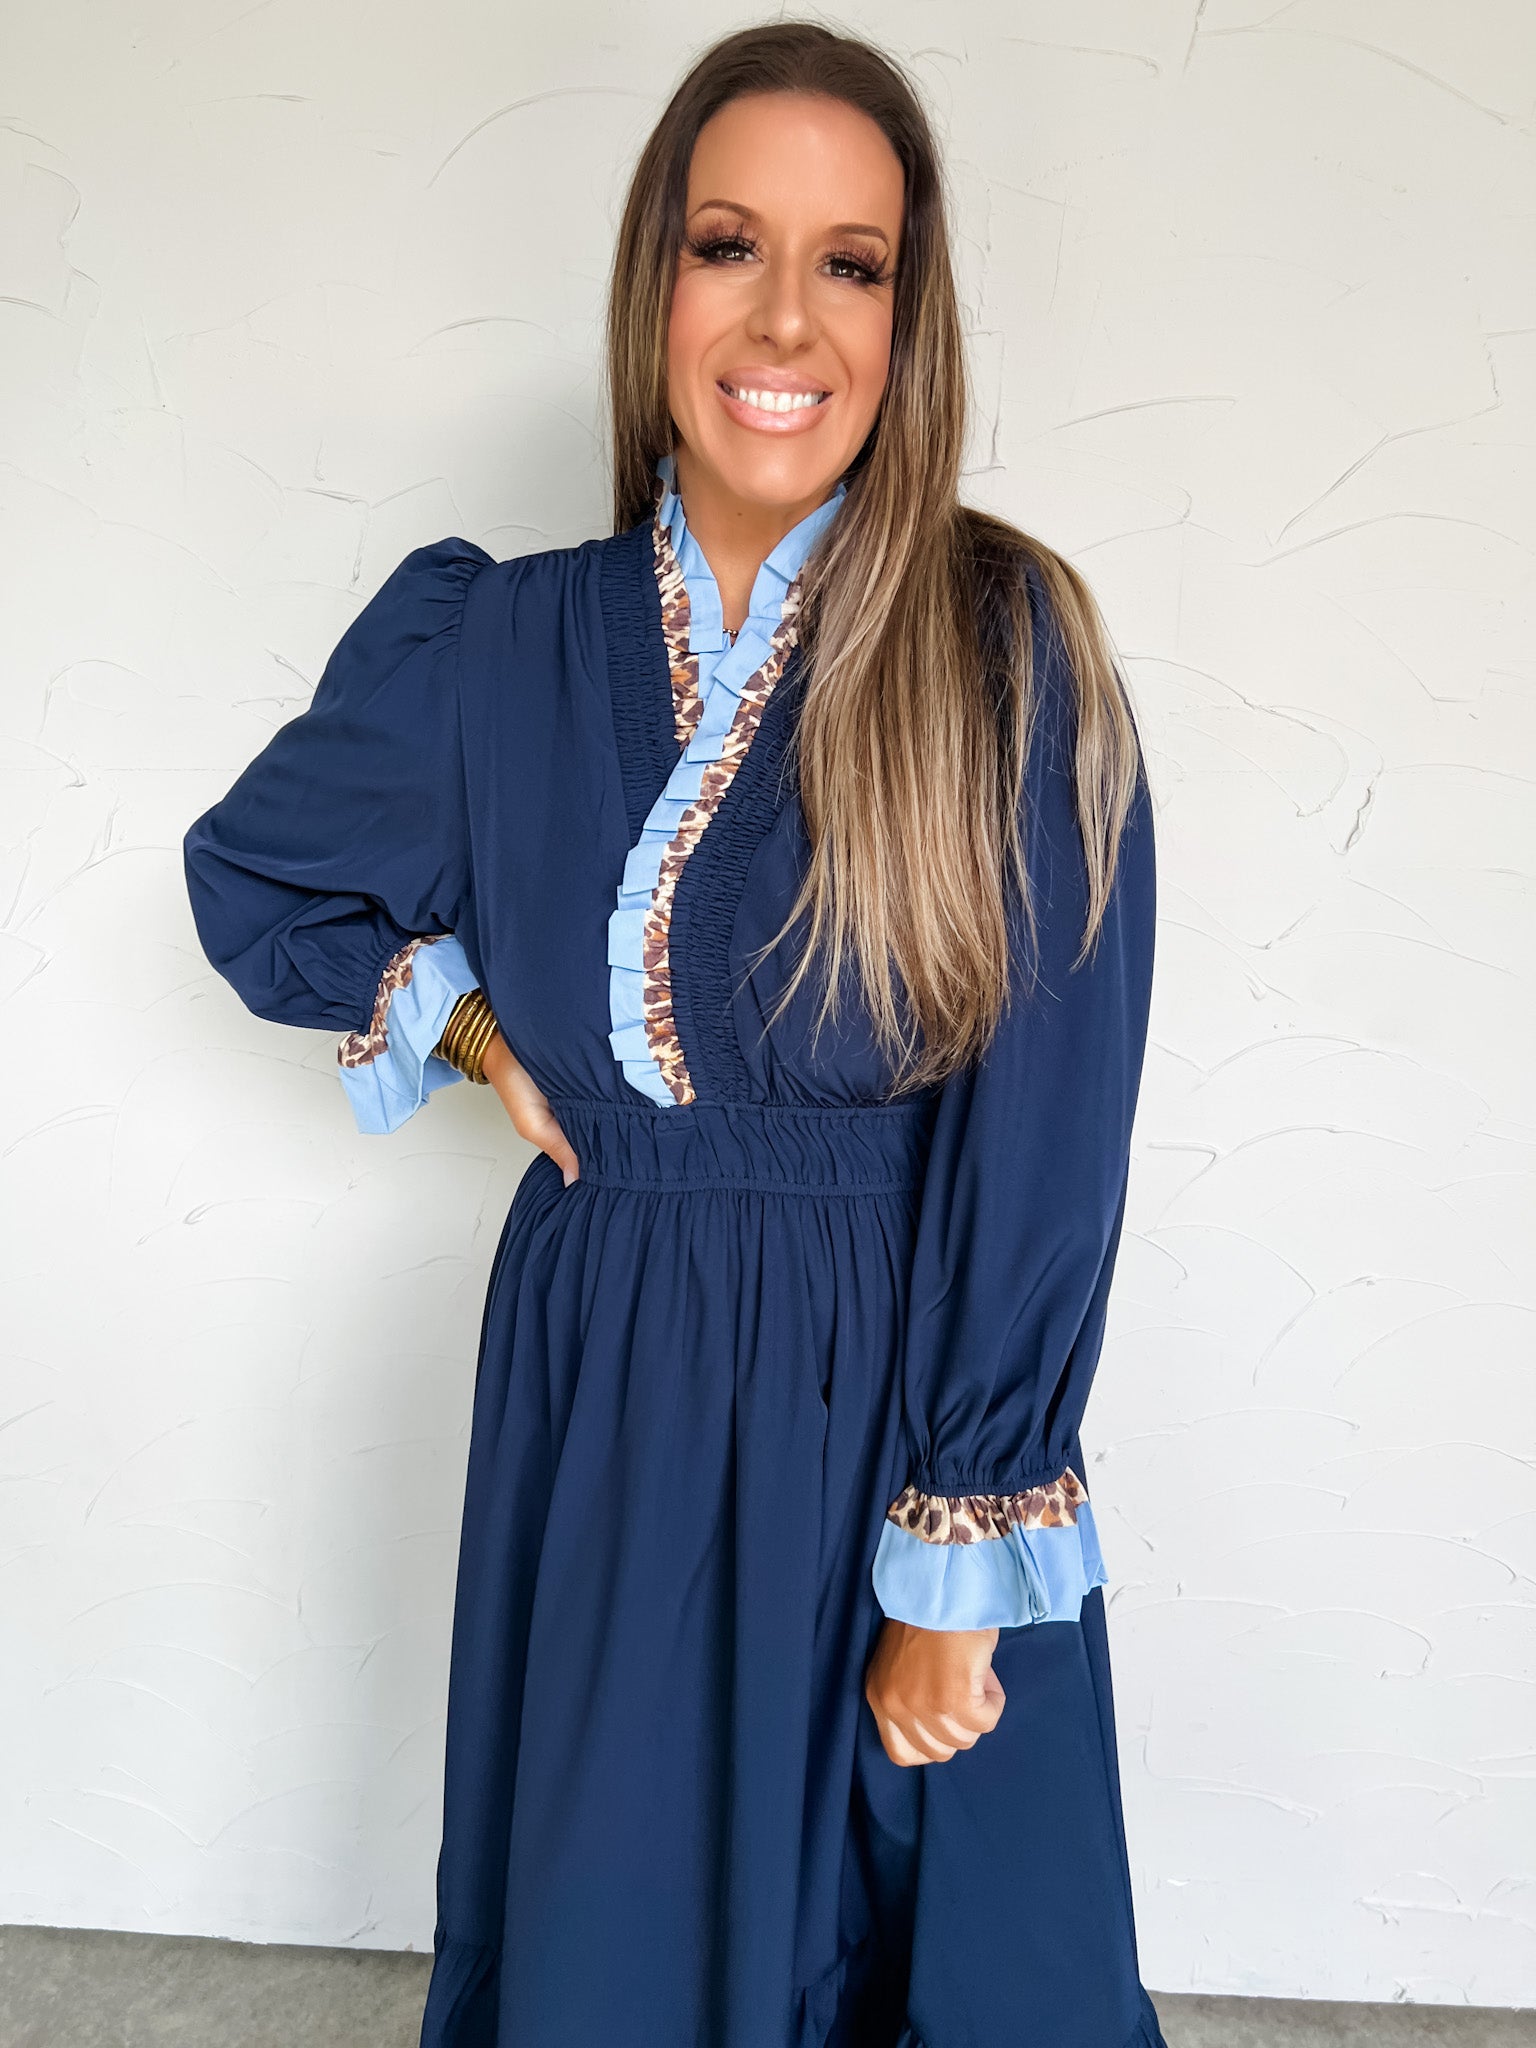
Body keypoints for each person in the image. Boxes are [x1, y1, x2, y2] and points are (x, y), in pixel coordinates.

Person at [182, 21, 1165, 2048]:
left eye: (854, 261)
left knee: (939, 1961)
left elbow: (1048, 1129)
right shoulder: (493, 640)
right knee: (614, 1951)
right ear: (657, 283)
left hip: (885, 1398)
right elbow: (260, 871)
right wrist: (460, 1033)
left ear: (914, 313)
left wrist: (946, 1557)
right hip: (605, 1383)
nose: (786, 315)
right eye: (731, 244)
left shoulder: (1004, 652)